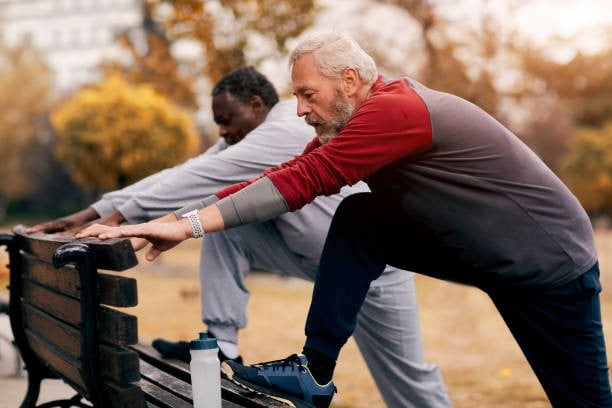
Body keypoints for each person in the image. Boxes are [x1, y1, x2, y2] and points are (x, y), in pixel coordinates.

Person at [76, 30, 612, 408]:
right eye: (296, 98)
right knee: (362, 217)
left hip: (551, 265)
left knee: (584, 402)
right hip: (495, 253)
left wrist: (186, 226)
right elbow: (298, 168)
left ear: (350, 80)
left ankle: (313, 370)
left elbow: (306, 181)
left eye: (308, 95)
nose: (302, 109)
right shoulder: (368, 114)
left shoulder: (395, 110)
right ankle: (314, 370)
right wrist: (183, 217)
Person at [31, 66, 451, 407]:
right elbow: (183, 173)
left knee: (406, 380)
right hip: (308, 253)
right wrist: (97, 211)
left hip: (371, 273)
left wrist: (117, 216)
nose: (221, 132)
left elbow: (199, 177)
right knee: (221, 221)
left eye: (226, 121)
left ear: (255, 105)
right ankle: (223, 347)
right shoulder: (244, 137)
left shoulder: (281, 129)